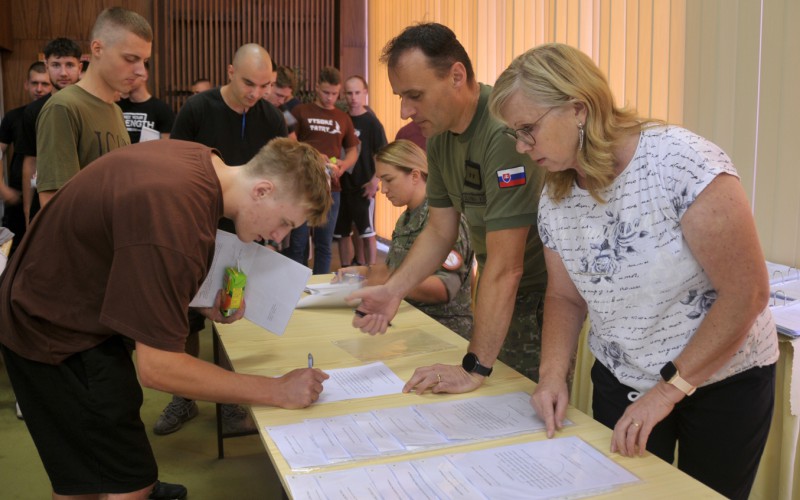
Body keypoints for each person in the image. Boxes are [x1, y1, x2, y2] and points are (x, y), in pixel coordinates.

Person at [488, 43, 778, 499]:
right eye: (514, 135)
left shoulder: (681, 164)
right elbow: (565, 297)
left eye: (528, 130)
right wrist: (550, 376)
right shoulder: (557, 194)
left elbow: (747, 294)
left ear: (578, 109)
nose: (523, 147)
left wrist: (666, 392)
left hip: (721, 380)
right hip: (622, 374)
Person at [0, 137, 331, 500]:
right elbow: (158, 368)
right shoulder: (175, 214)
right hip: (52, 331)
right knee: (125, 481)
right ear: (263, 190)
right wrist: (276, 390)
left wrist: (193, 302)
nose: (279, 237)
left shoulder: (203, 162)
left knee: (88, 472)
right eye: (285, 222)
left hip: (67, 305)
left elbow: (137, 255)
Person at [350, 23, 548, 390]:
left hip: (537, 302)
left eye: (415, 95)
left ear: (457, 75)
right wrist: (393, 291)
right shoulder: (440, 136)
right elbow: (440, 231)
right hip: (495, 291)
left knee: (516, 408)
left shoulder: (502, 134)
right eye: (400, 96)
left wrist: (473, 367)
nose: (405, 111)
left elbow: (507, 268)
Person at [163, 43, 287, 436]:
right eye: (249, 83)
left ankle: (231, 398)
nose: (255, 93)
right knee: (186, 321)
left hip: (246, 233)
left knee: (236, 316)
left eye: (265, 85)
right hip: (195, 229)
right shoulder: (198, 109)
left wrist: (274, 228)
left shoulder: (271, 117)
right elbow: (175, 169)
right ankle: (183, 397)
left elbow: (280, 177)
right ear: (229, 71)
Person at [339, 140, 472, 337]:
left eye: (389, 180)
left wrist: (386, 281)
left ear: (415, 175)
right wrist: (365, 272)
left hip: (443, 330)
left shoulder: (444, 218)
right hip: (408, 320)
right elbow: (397, 266)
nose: (383, 190)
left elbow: (444, 288)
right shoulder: (406, 217)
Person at [35, 7, 152, 208]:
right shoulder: (63, 107)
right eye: (130, 59)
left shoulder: (115, 110)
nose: (141, 71)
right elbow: (55, 206)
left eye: (145, 61)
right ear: (97, 49)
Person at [286, 66, 359, 274]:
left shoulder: (343, 118)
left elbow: (353, 149)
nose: (330, 98)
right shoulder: (300, 111)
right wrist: (312, 155)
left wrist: (345, 165)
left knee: (324, 243)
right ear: (317, 87)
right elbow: (289, 140)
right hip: (303, 185)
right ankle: (295, 287)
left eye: (335, 93)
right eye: (326, 92)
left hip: (331, 188)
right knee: (298, 243)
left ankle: (319, 288)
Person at [17, 37, 82, 225]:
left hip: (85, 197)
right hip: (46, 200)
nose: (63, 72)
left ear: (80, 67)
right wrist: (28, 210)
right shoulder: (33, 111)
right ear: (46, 65)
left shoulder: (91, 104)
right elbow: (30, 160)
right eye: (55, 65)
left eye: (69, 64)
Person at [335, 75, 387, 267]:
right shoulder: (342, 120)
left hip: (364, 186)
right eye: (349, 93)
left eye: (357, 93)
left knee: (367, 232)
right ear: (344, 95)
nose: (353, 97)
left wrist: (375, 181)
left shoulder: (372, 123)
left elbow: (382, 154)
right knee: (342, 233)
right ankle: (345, 270)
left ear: (365, 93)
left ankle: (371, 272)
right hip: (342, 186)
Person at [0, 61, 51, 254]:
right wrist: (2, 188)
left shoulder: (59, 112)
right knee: (12, 253)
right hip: (17, 196)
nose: (39, 89)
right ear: (26, 85)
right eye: (34, 83)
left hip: (46, 192)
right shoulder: (13, 116)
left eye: (44, 84)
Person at [118, 62, 175, 143]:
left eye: (131, 74)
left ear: (144, 75)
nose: (127, 78)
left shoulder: (162, 109)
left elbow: (166, 143)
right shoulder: (118, 107)